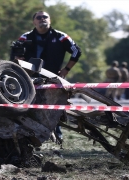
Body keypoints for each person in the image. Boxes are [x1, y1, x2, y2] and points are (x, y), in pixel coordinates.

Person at [15, 11, 82, 143]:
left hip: (52, 78)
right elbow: (15, 54)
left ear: (50, 20)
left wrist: (66, 69)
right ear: (34, 22)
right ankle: (30, 136)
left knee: (53, 107)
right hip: (29, 78)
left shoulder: (61, 37)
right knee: (29, 105)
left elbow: (76, 51)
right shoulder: (25, 37)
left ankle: (57, 134)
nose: (42, 19)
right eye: (38, 18)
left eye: (45, 17)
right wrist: (18, 58)